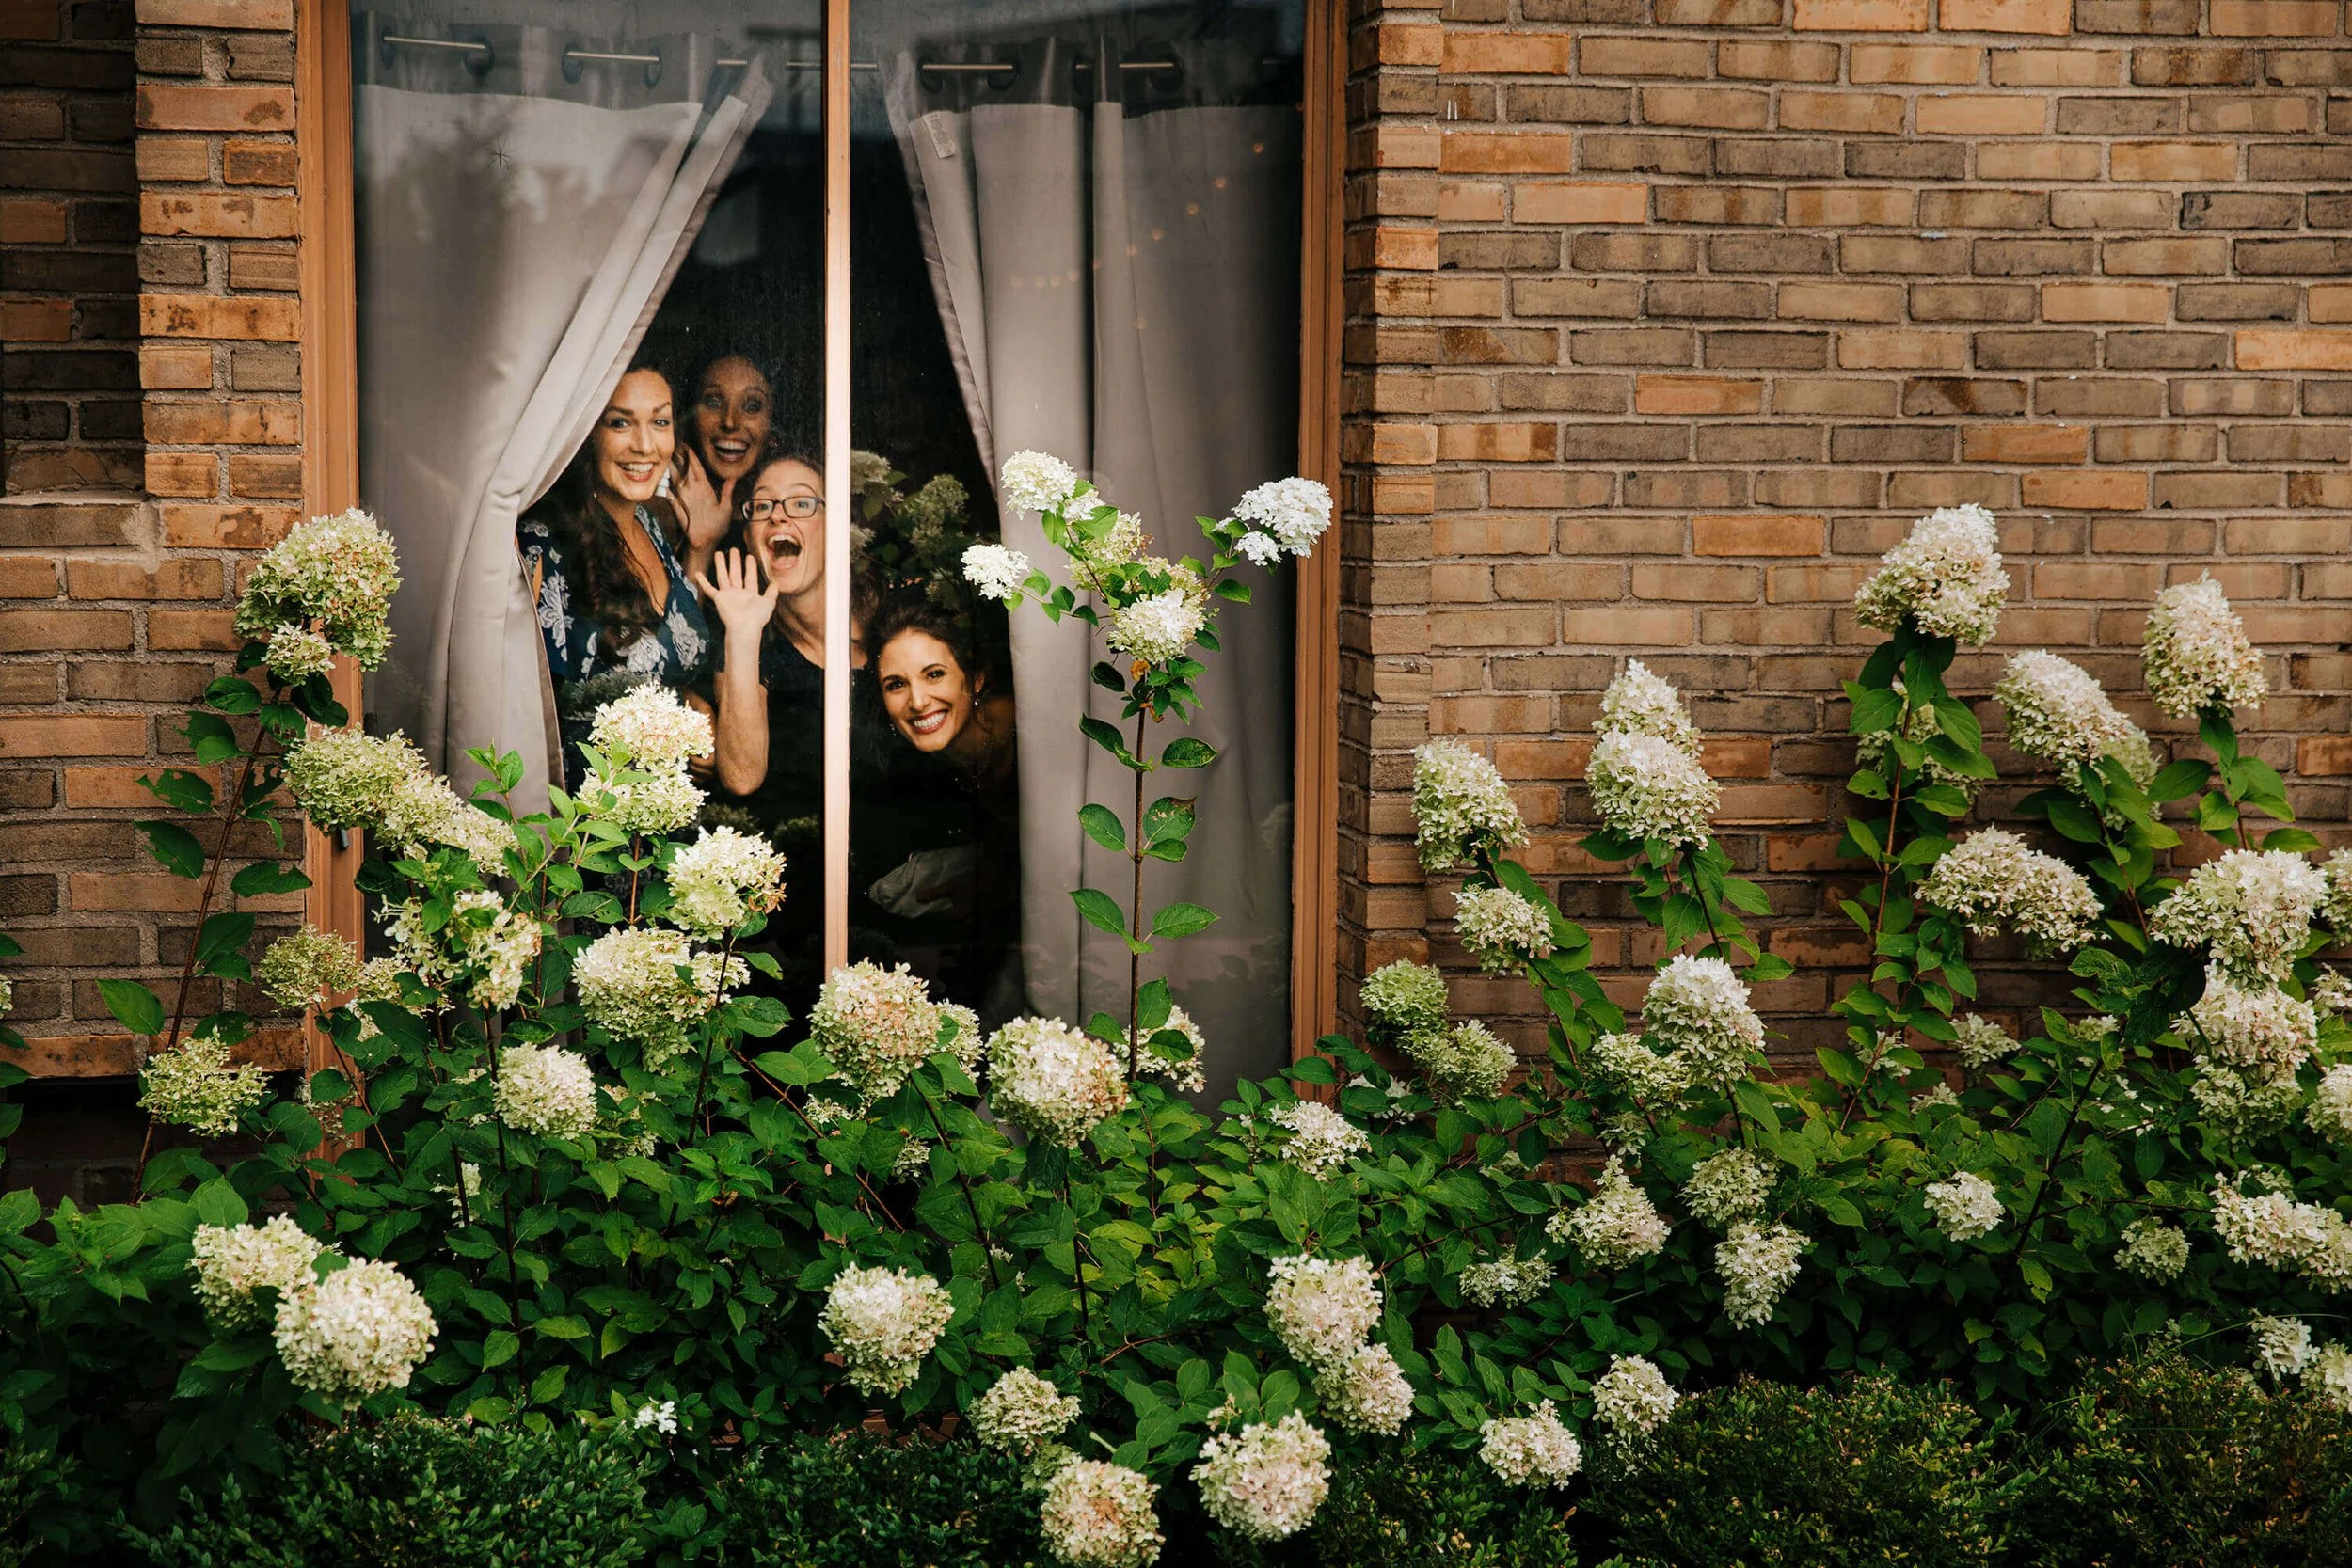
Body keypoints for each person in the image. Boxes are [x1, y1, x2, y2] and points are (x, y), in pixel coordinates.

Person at [520, 363, 723, 784]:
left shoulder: (648, 526)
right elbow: (521, 709)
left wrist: (686, 704)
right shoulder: (541, 545)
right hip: (580, 833)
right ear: (586, 433)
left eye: (660, 422)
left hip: (660, 823)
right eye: (620, 423)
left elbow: (650, 661)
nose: (645, 445)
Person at [676, 351, 774, 567]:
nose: (730, 422)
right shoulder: (662, 518)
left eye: (751, 406)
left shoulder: (789, 521)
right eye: (713, 402)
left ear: (772, 428)